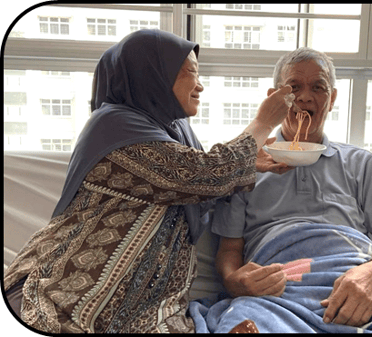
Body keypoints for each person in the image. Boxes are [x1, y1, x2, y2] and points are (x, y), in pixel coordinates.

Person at [3, 29, 293, 333]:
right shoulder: (114, 126)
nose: (201, 85)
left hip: (151, 305)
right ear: (153, 75)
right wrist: (263, 122)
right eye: (191, 73)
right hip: (72, 287)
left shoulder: (174, 132)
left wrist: (246, 164)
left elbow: (197, 186)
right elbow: (204, 175)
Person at [189, 47, 372, 333]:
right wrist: (235, 281)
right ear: (274, 98)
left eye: (318, 87)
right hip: (277, 291)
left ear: (332, 98)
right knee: (244, 321)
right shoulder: (245, 165)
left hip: (354, 277)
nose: (305, 97)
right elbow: (230, 250)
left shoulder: (360, 162)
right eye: (294, 87)